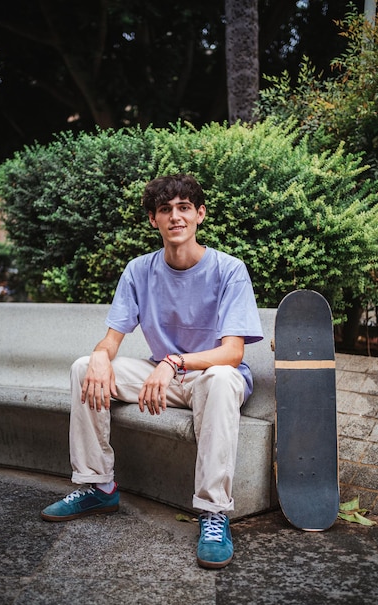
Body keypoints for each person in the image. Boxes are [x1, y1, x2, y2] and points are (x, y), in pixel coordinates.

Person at [41, 173, 263, 569]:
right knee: (83, 368)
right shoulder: (139, 270)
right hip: (161, 376)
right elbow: (112, 340)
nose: (175, 217)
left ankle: (213, 513)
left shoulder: (229, 270)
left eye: (183, 208)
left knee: (223, 377)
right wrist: (99, 355)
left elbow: (231, 353)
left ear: (200, 215)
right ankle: (99, 485)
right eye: (165, 210)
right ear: (153, 220)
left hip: (208, 378)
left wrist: (173, 362)